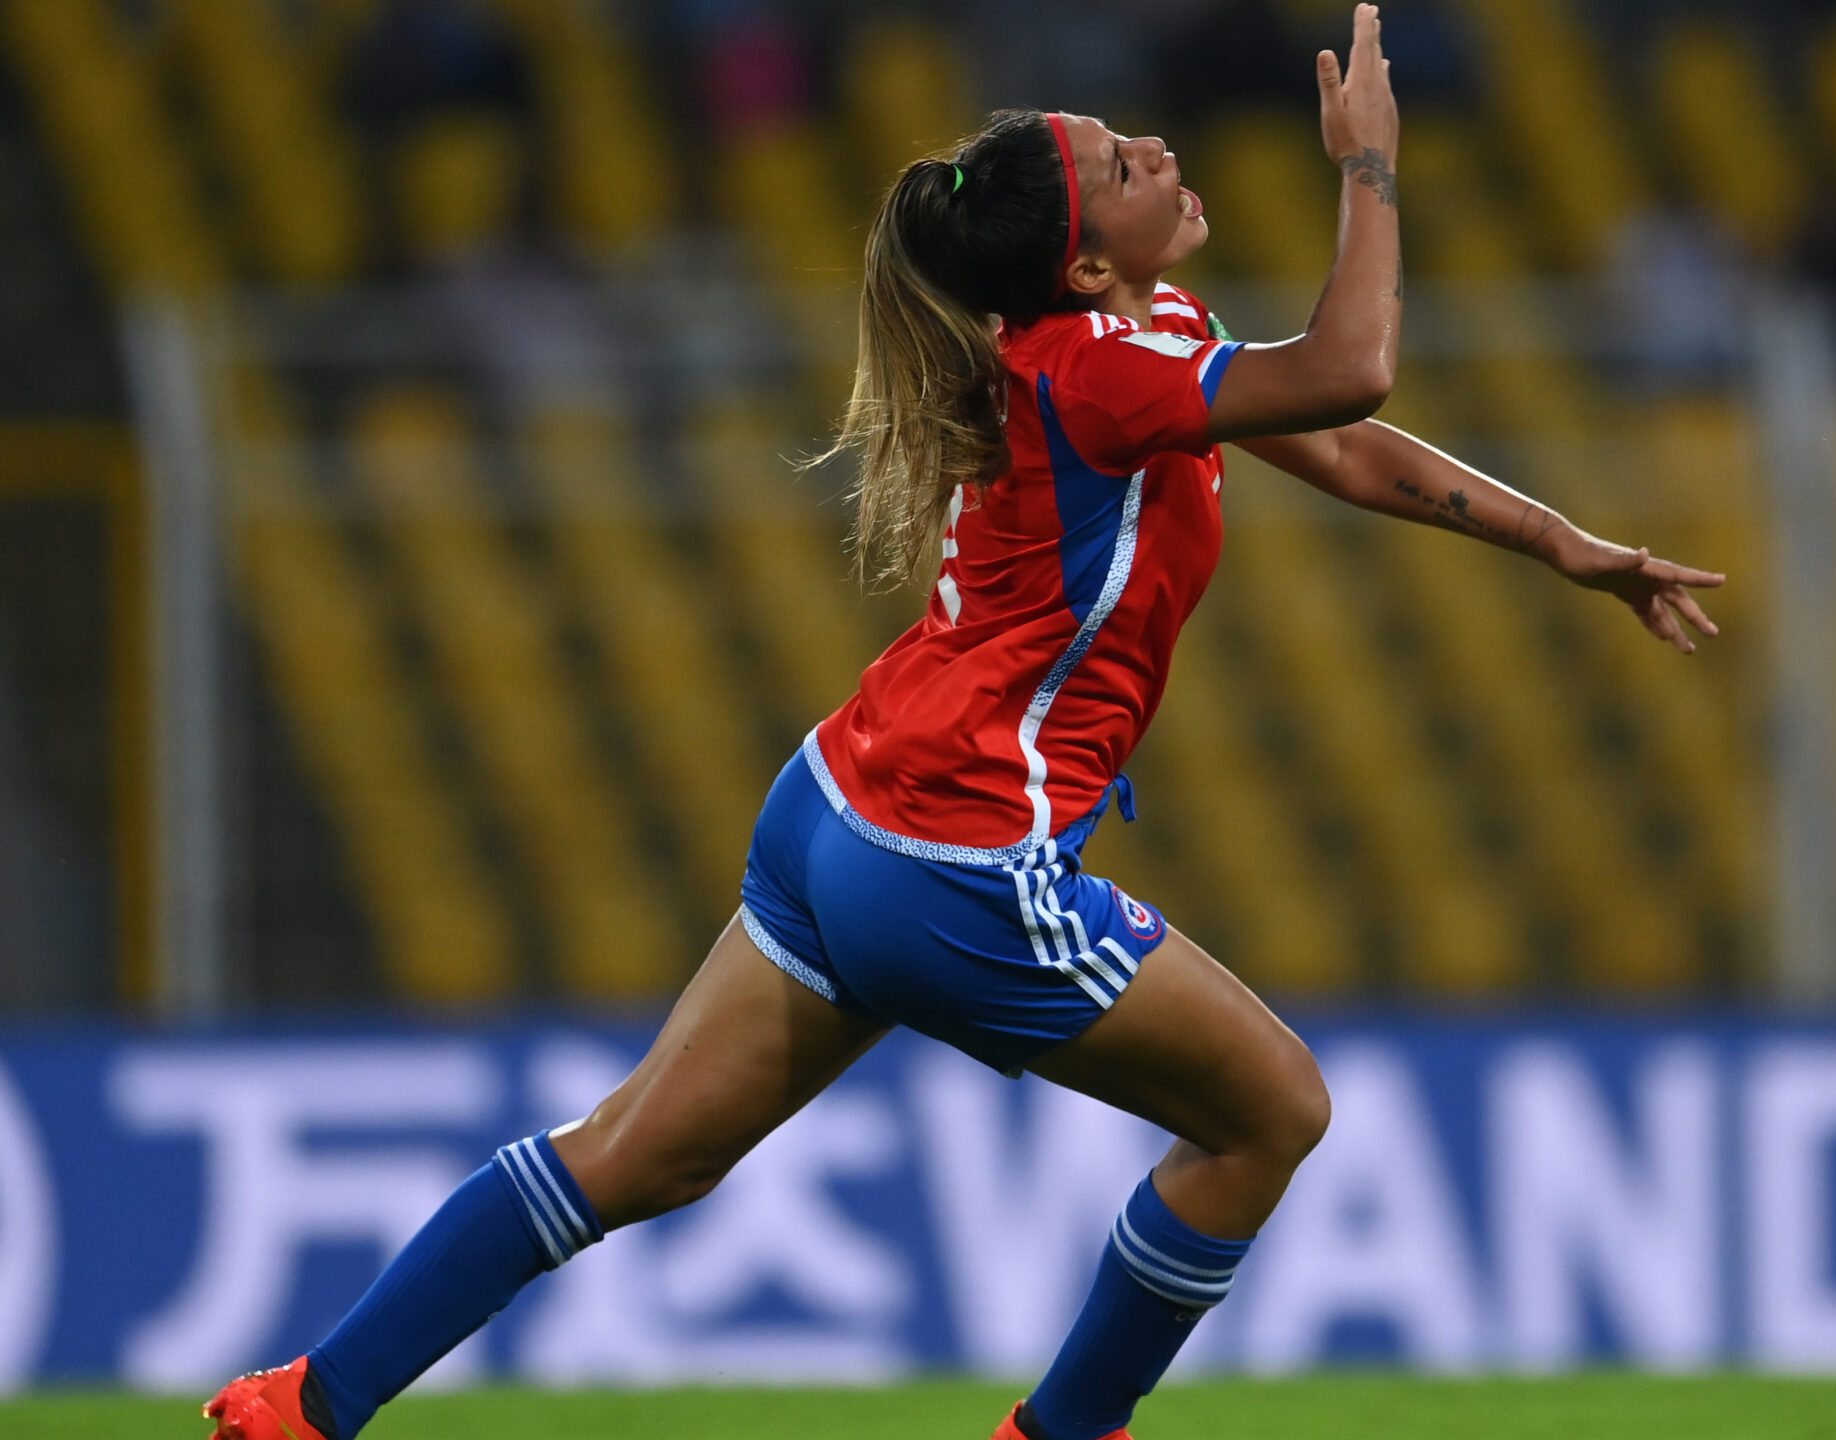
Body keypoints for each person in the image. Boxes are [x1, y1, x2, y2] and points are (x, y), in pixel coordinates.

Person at [203, 9, 1720, 1439]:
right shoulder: (1100, 369)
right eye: (1123, 166)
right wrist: (1368, 166)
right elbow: (1355, 363)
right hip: (954, 859)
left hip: (838, 808)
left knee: (635, 1153)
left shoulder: (1135, 335)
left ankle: (299, 1410)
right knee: (1271, 1113)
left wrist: (1557, 542)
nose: (1161, 157)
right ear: (1075, 266)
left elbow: (1337, 435)